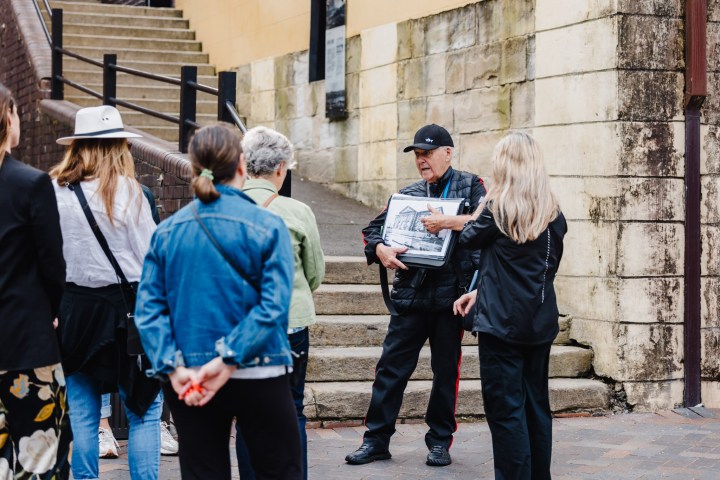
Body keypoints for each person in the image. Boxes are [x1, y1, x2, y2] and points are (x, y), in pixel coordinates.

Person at [134, 123, 301, 480]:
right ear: (242, 165)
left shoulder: (167, 232)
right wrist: (227, 359)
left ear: (193, 169)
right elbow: (274, 305)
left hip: (190, 375)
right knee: (279, 470)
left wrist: (172, 368)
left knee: (203, 472)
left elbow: (149, 310)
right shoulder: (268, 225)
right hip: (261, 367)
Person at [346, 124, 486, 467]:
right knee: (390, 370)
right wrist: (380, 249)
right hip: (410, 295)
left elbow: (487, 224)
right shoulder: (407, 195)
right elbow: (372, 230)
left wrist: (450, 223)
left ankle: (440, 442)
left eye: (428, 152)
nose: (422, 160)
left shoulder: (472, 186)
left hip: (451, 299)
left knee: (445, 373)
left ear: (448, 153)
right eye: (418, 155)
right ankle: (376, 440)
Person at [51, 105, 163, 480]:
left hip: (75, 309)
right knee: (144, 409)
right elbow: (151, 259)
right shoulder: (129, 192)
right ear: (118, 147)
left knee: (81, 409)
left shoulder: (55, 191)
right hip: (127, 310)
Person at [453, 132, 567, 480]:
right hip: (539, 321)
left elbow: (468, 239)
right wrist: (481, 291)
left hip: (502, 326)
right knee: (536, 407)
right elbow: (537, 269)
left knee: (506, 411)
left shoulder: (497, 209)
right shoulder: (553, 213)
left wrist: (487, 197)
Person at [238, 126, 325, 479]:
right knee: (293, 409)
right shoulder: (297, 211)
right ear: (280, 169)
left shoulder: (226, 205)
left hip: (241, 326)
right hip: (289, 323)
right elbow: (314, 272)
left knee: (246, 413)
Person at [0, 83, 71, 479]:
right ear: (7, 117)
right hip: (27, 345)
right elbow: (53, 265)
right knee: (40, 460)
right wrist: (53, 310)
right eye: (17, 113)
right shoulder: (30, 184)